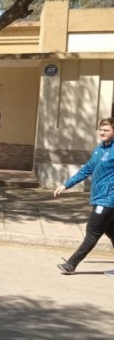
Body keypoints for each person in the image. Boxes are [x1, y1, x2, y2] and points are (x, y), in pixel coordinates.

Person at [54, 117, 114, 277]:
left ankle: (71, 264)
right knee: (111, 231)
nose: (102, 132)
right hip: (100, 197)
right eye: (101, 129)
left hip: (108, 199)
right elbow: (87, 169)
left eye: (106, 130)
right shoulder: (100, 149)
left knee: (93, 230)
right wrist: (66, 185)